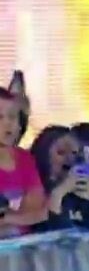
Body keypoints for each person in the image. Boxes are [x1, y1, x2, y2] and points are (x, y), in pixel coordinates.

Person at [29, 125, 89, 239]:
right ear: (44, 155)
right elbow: (51, 230)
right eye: (61, 152)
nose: (70, 158)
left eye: (74, 153)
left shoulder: (78, 191)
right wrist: (59, 192)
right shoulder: (32, 190)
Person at [0, 87, 47, 238]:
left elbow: (38, 213)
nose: (8, 124)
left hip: (22, 247)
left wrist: (6, 218)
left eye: (12, 117)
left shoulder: (25, 159)